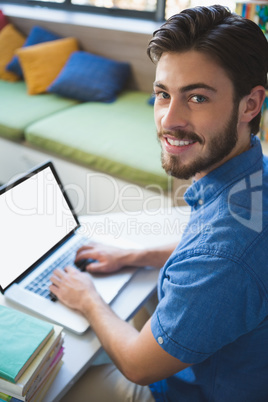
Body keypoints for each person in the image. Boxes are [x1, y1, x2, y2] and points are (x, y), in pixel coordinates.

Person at [50, 5, 268, 401]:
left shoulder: (224, 257)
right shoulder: (254, 174)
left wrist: (87, 299)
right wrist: (135, 255)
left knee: (55, 382)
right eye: (162, 94)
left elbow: (138, 365)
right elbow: (216, 247)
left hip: (182, 392)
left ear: (250, 105)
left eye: (197, 98)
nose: (169, 119)